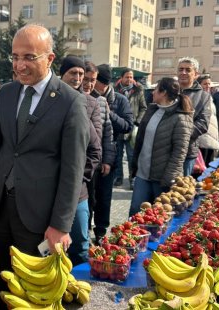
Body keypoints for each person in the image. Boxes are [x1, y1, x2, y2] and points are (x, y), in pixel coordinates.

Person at [0, 24, 89, 309]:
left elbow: (73, 169)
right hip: (2, 210)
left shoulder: (70, 102)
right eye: (15, 57)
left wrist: (60, 226)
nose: (19, 65)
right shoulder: (7, 94)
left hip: (41, 218)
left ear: (50, 59)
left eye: (28, 57)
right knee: (4, 283)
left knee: (35, 293)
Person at [59, 56, 103, 265]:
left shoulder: (90, 103)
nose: (77, 78)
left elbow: (95, 149)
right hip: (48, 188)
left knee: (80, 244)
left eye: (80, 74)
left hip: (78, 191)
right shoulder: (49, 101)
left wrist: (79, 178)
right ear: (62, 75)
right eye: (72, 73)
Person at [129, 78, 193, 216]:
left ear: (163, 93)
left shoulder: (181, 117)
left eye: (156, 89)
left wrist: (169, 177)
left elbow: (180, 151)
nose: (153, 92)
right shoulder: (152, 110)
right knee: (136, 211)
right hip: (143, 173)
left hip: (162, 178)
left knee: (158, 215)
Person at [90, 63, 134, 243]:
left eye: (98, 82)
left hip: (110, 153)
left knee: (104, 196)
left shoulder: (120, 100)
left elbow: (128, 126)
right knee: (88, 197)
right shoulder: (87, 96)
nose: (95, 85)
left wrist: (110, 114)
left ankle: (100, 231)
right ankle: (85, 228)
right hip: (89, 155)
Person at [83, 61, 115, 246]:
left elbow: (107, 132)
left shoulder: (101, 102)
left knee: (93, 200)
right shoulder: (71, 98)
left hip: (95, 161)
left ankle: (88, 234)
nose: (88, 84)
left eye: (92, 80)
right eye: (85, 79)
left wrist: (107, 160)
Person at [177, 57, 212, 177]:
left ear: (196, 74)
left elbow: (202, 124)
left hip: (187, 151)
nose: (183, 73)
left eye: (188, 70)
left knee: (180, 190)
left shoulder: (203, 96)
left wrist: (180, 135)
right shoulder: (169, 91)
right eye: (181, 69)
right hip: (164, 151)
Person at [114, 67, 148, 189]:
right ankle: (118, 178)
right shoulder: (114, 90)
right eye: (127, 77)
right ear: (121, 78)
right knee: (117, 155)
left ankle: (132, 178)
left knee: (132, 155)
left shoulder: (138, 90)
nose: (129, 79)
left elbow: (144, 107)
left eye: (131, 77)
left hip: (132, 128)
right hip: (118, 127)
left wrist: (138, 121)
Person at [195, 75, 219, 168]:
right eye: (205, 84)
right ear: (199, 85)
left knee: (208, 165)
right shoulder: (198, 98)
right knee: (201, 167)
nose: (208, 86)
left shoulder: (209, 97)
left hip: (210, 135)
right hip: (203, 137)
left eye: (209, 84)